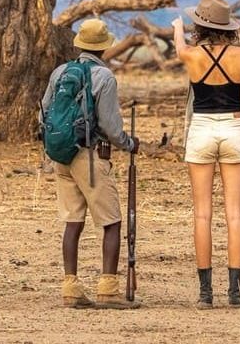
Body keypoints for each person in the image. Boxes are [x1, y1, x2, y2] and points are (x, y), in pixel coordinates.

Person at [41, 18, 140, 310]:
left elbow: (44, 111)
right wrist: (129, 143)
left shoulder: (60, 72)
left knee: (73, 221)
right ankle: (108, 288)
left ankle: (71, 287)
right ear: (104, 48)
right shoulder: (104, 77)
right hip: (90, 157)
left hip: (61, 154)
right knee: (111, 221)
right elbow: (110, 125)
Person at [172, 0, 240, 309]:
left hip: (202, 129)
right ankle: (235, 293)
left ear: (201, 25)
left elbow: (180, 48)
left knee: (202, 214)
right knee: (234, 214)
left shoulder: (192, 55)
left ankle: (205, 293)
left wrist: (177, 28)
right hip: (234, 127)